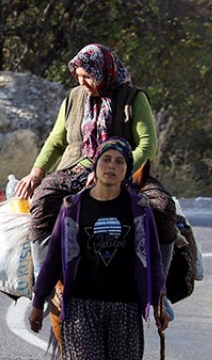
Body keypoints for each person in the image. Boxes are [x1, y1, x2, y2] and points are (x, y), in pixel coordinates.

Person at [28, 139, 169, 360]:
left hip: (124, 311)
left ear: (126, 170)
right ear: (95, 167)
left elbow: (151, 258)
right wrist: (37, 302)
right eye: (106, 160)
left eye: (119, 162)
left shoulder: (138, 210)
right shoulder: (73, 208)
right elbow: (53, 260)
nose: (112, 167)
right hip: (80, 311)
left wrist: (159, 300)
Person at [13, 43, 177, 262]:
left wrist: (116, 172)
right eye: (78, 76)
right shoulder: (73, 98)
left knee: (163, 208)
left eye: (88, 76)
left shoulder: (134, 99)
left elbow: (147, 145)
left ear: (104, 73)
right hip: (75, 170)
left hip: (123, 172)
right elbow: (56, 141)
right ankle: (44, 276)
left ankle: (159, 287)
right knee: (43, 201)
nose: (82, 82)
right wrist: (36, 173)